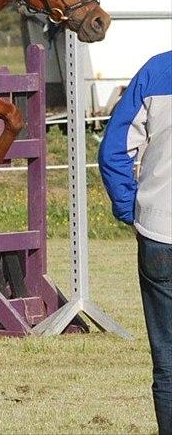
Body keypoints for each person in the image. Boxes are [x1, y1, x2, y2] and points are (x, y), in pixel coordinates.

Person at [98, 50, 172, 435]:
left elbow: (114, 150)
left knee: (168, 363)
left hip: (161, 230)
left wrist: (132, 209)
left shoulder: (157, 70)